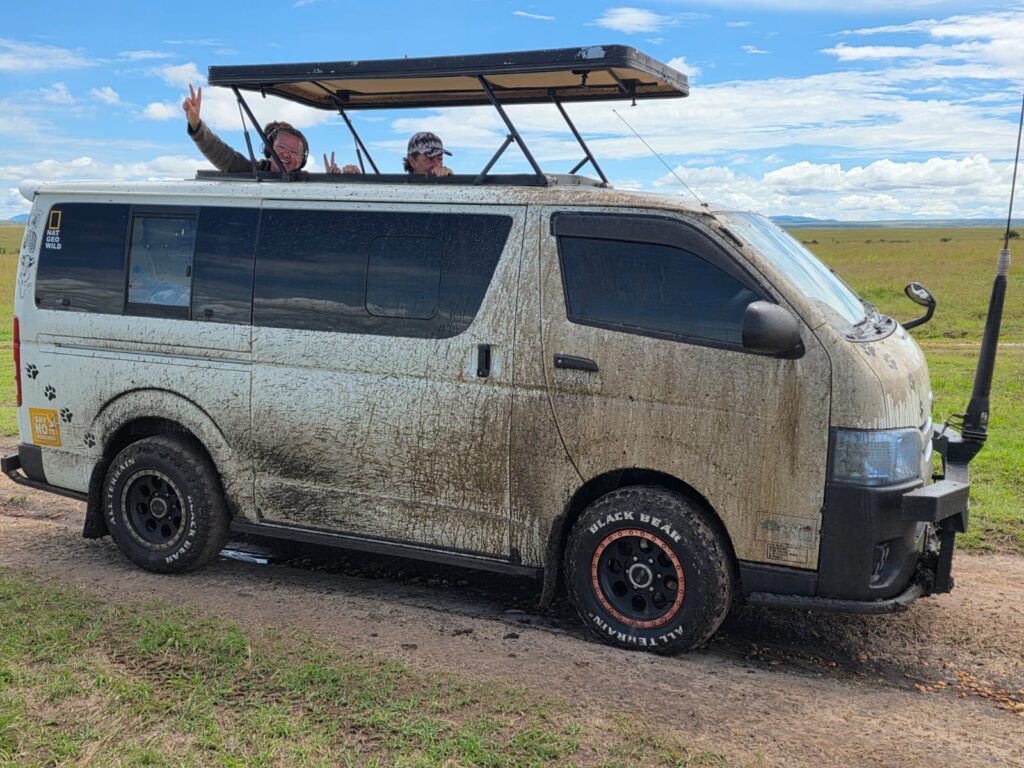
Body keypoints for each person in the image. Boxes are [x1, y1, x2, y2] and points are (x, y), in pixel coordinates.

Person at [183, 84, 358, 175]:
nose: (286, 154)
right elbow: (222, 154)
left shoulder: (308, 183)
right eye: (281, 147)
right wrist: (196, 125)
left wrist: (335, 181)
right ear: (269, 150)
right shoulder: (253, 171)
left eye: (294, 151)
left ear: (302, 160)